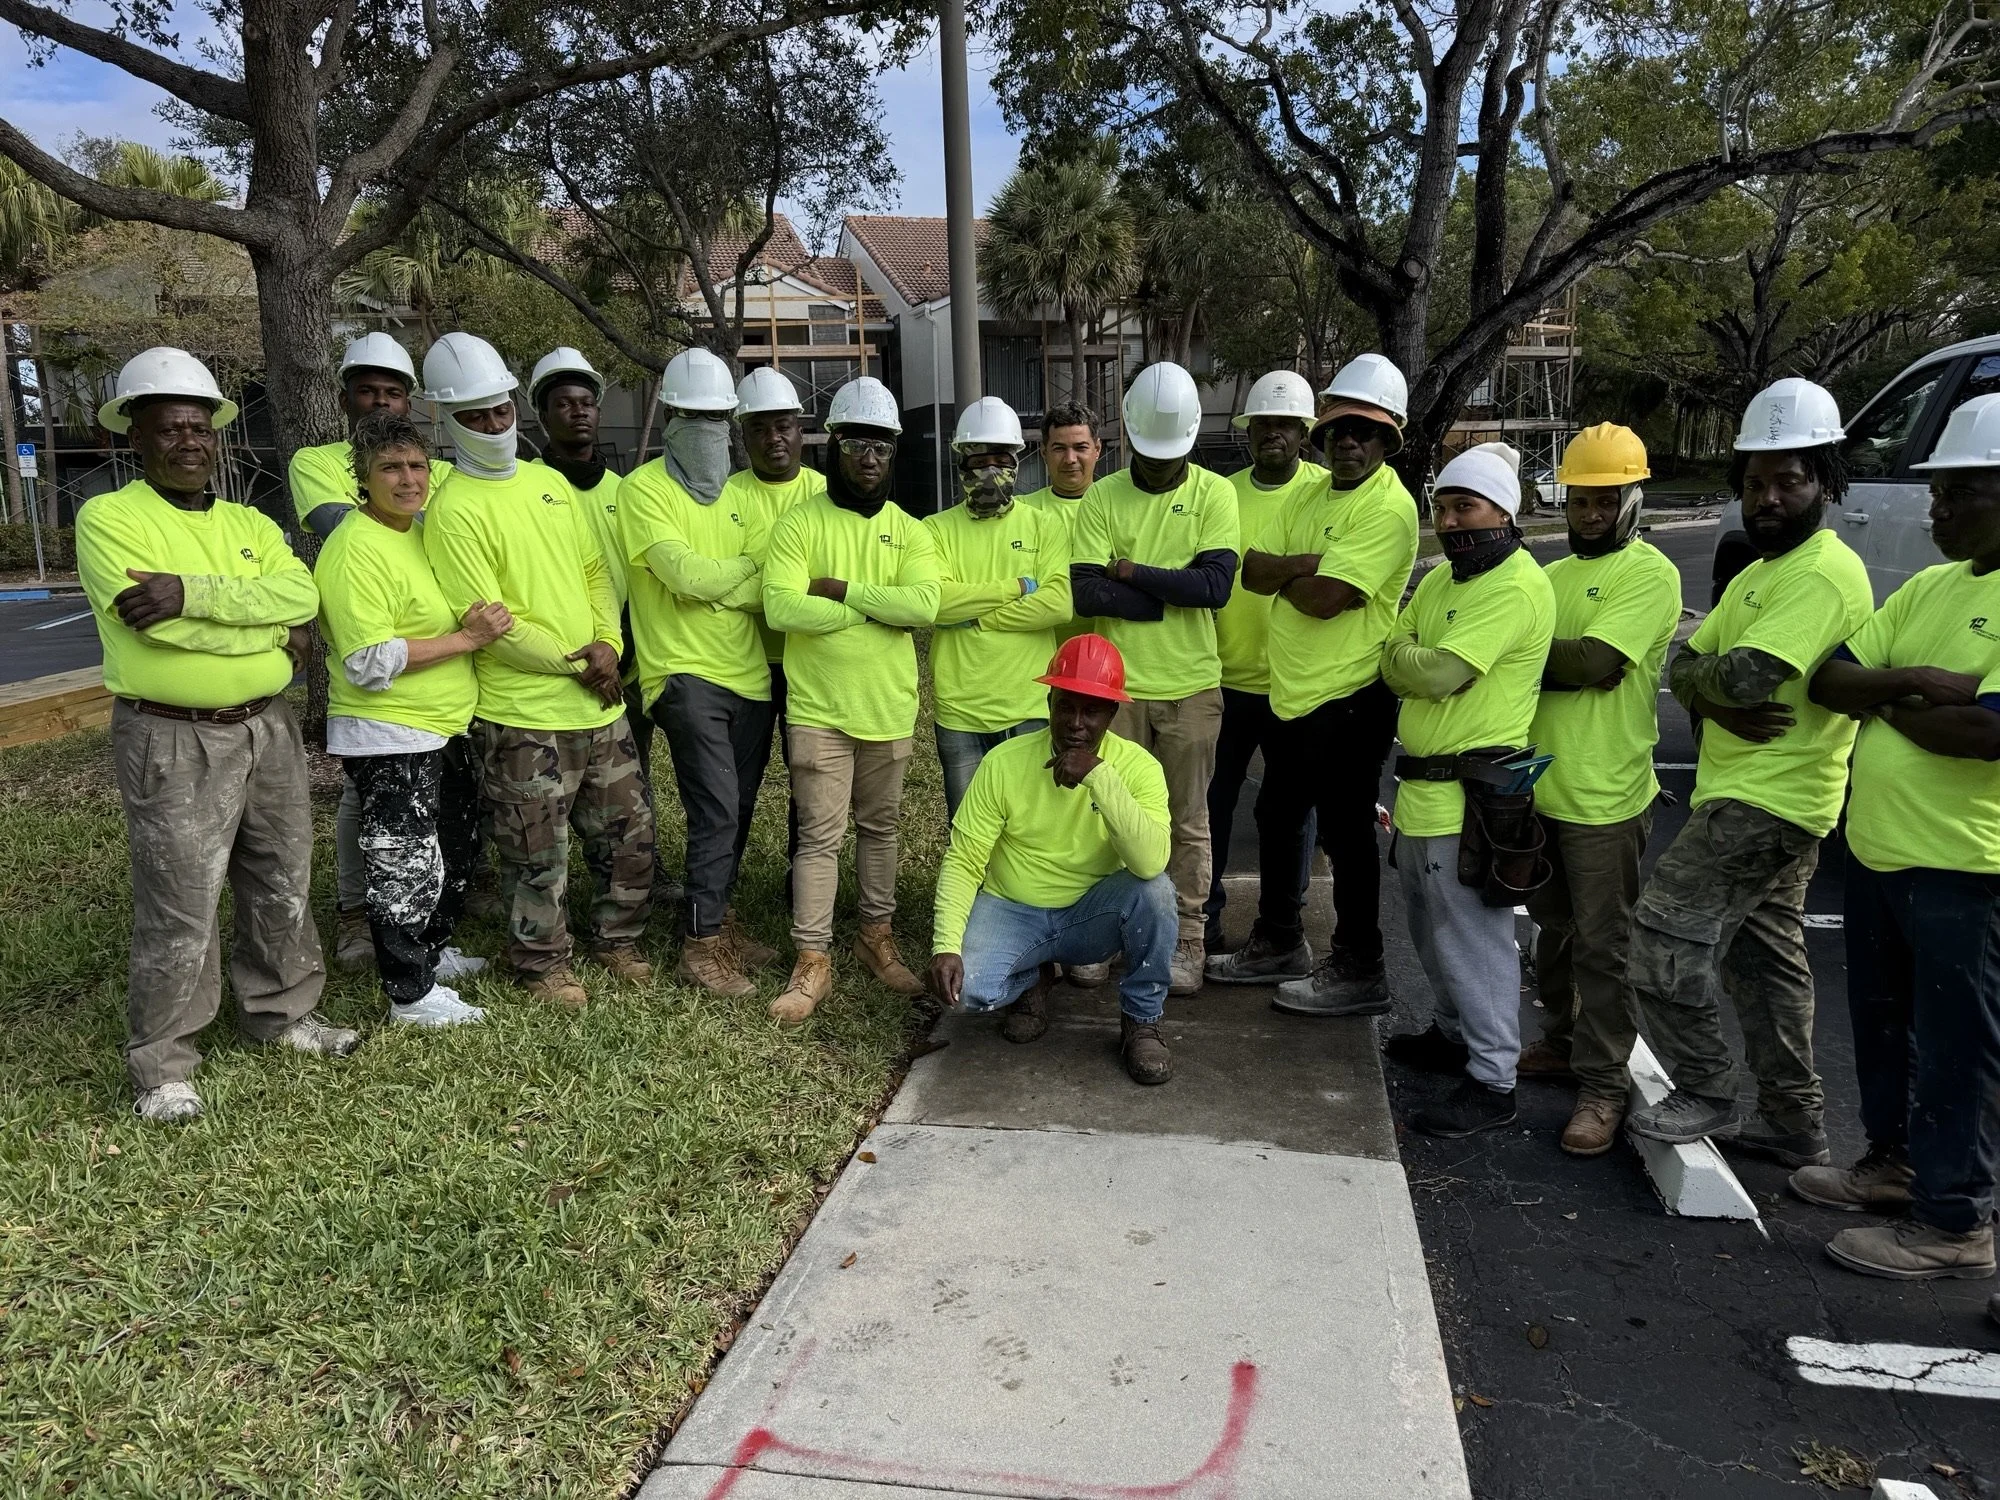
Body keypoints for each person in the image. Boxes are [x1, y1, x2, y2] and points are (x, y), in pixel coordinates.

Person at [77, 347, 358, 1125]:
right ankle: (165, 1064)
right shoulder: (110, 518)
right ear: (135, 437)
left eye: (200, 428)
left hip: (266, 730)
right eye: (169, 429)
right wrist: (269, 639)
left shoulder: (250, 522)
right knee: (181, 897)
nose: (188, 442)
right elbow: (157, 640)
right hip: (172, 736)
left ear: (218, 438)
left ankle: (284, 1013)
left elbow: (299, 590)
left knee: (280, 877)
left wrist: (192, 595)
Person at [1625, 379, 1871, 1168]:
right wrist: (1711, 688)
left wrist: (1713, 688)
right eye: (1756, 483)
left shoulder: (1823, 574)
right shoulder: (1765, 573)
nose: (1768, 499)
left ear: (1825, 484)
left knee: (1662, 930)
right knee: (1763, 964)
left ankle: (1703, 1087)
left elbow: (1741, 677)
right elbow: (1688, 662)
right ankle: (1796, 1122)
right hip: (1747, 791)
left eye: (1789, 481)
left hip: (1771, 800)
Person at [1790, 393, 2000, 1283]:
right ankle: (1894, 1167)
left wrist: (1886, 698)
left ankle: (1955, 1222)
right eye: (1937, 491)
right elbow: (1830, 677)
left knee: (1959, 1048)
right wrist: (1912, 682)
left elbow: (1984, 734)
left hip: (1966, 867)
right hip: (1881, 854)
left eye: (1956, 492)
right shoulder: (1931, 587)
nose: (1935, 509)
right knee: (1885, 1029)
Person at [420, 332, 655, 1007]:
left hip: (599, 702)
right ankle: (542, 963)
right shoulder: (453, 509)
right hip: (522, 716)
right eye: (475, 415)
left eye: (499, 410)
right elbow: (488, 620)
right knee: (535, 853)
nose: (494, 425)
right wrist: (578, 665)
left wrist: (609, 644)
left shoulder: (549, 484)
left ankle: (618, 940)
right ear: (445, 417)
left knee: (631, 835)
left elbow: (593, 571)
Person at [1227, 354, 1418, 1007]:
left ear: (1388, 439)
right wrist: (1307, 563)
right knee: (1278, 815)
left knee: (1345, 837)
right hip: (1293, 692)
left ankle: (1360, 968)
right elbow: (1253, 571)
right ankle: (1280, 939)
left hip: (1351, 698)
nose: (1348, 443)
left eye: (1364, 433)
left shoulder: (1388, 508)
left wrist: (1299, 572)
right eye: (1338, 430)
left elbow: (1325, 598)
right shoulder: (1309, 490)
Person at [1379, 443, 1555, 1137]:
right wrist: (1409, 659)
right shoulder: (1440, 582)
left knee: (1476, 942)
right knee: (1430, 930)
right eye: (1444, 507)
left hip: (1474, 799)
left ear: (1504, 512)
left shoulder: (1514, 585)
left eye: (1466, 506)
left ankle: (1493, 1078)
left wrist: (1410, 659)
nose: (1451, 521)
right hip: (1424, 791)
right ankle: (1452, 1034)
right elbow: (1396, 655)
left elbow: (1433, 674)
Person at [1519, 424, 1681, 1156]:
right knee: (1552, 931)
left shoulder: (1648, 574)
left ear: (1632, 499)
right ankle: (1561, 1039)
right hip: (1540, 785)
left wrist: (1541, 657)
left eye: (1605, 499)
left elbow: (1591, 663)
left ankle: (1604, 1085)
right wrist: (1560, 660)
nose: (1590, 512)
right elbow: (1568, 661)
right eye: (1581, 499)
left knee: (1602, 944)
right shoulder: (1551, 577)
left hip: (1607, 794)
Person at [315, 409, 505, 1028]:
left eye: (416, 465)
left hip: (441, 724)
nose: (406, 478)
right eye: (389, 468)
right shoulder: (354, 548)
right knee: (402, 857)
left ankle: (431, 951)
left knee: (447, 847)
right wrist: (466, 640)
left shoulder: (419, 533)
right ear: (361, 480)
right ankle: (409, 993)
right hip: (389, 731)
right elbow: (369, 659)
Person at [763, 375, 941, 1023]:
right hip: (819, 710)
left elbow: (923, 607)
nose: (869, 457)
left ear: (893, 453)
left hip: (888, 708)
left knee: (881, 828)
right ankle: (813, 961)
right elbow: (781, 606)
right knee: (818, 836)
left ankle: (875, 938)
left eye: (882, 446)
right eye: (856, 443)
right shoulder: (798, 524)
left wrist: (839, 591)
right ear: (833, 445)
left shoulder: (912, 531)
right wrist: (872, 610)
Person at [929, 634, 1176, 1084]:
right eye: (1066, 706)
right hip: (1013, 906)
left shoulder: (1139, 769)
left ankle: (1141, 1020)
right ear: (1049, 702)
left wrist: (1100, 777)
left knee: (1156, 893)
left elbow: (1149, 863)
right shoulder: (1004, 763)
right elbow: (964, 858)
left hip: (1091, 915)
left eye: (1092, 710)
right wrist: (945, 944)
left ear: (1113, 714)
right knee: (964, 996)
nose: (1076, 723)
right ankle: (1033, 979)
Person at [1069, 361, 1239, 995]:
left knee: (1187, 817)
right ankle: (1103, 932)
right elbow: (1086, 594)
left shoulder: (1215, 495)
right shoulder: (1103, 496)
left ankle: (1187, 936)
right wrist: (1173, 589)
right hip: (1118, 691)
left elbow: (1216, 588)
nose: (1161, 466)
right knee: (1108, 811)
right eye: (1150, 454)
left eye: (1171, 457)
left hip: (1192, 685)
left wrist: (1133, 574)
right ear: (1129, 434)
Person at [288, 332, 452, 974]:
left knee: (409, 824)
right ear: (345, 396)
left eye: (393, 392)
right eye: (368, 390)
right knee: (383, 821)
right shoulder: (321, 466)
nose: (381, 401)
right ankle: (366, 925)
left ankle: (418, 937)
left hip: (432, 700)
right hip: (384, 695)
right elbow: (350, 530)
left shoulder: (416, 472)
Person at [621, 347, 778, 997]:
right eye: (696, 417)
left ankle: (717, 916)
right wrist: (735, 573)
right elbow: (683, 577)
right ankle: (700, 948)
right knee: (714, 810)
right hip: (682, 676)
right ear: (671, 421)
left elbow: (767, 583)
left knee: (737, 810)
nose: (709, 431)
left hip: (750, 677)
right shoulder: (644, 490)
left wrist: (725, 583)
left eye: (720, 419)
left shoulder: (741, 495)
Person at [1199, 371, 1323, 965]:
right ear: (1248, 432)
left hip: (1297, 683)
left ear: (1304, 432)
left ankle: (1284, 922)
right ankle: (1205, 917)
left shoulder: (1325, 492)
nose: (1274, 433)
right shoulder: (1221, 493)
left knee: (1289, 812)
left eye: (1286, 425)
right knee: (1210, 806)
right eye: (1263, 424)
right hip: (1221, 676)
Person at [925, 396, 1074, 816]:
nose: (991, 473)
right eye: (978, 461)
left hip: (1027, 705)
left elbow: (1059, 605)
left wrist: (975, 615)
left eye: (1002, 461)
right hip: (960, 710)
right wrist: (1019, 587)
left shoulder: (1045, 525)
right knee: (968, 829)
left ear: (1018, 463)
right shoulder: (934, 530)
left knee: (1031, 827)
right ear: (960, 463)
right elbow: (935, 604)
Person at [724, 366, 827, 908]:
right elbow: (724, 578)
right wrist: (786, 584)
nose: (775, 439)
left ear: (801, 430)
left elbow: (836, 579)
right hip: (746, 664)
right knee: (738, 784)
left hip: (812, 662)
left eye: (784, 425)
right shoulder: (726, 496)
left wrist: (761, 576)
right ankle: (723, 886)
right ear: (744, 436)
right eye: (760, 428)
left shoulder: (827, 495)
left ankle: (800, 885)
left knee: (808, 781)